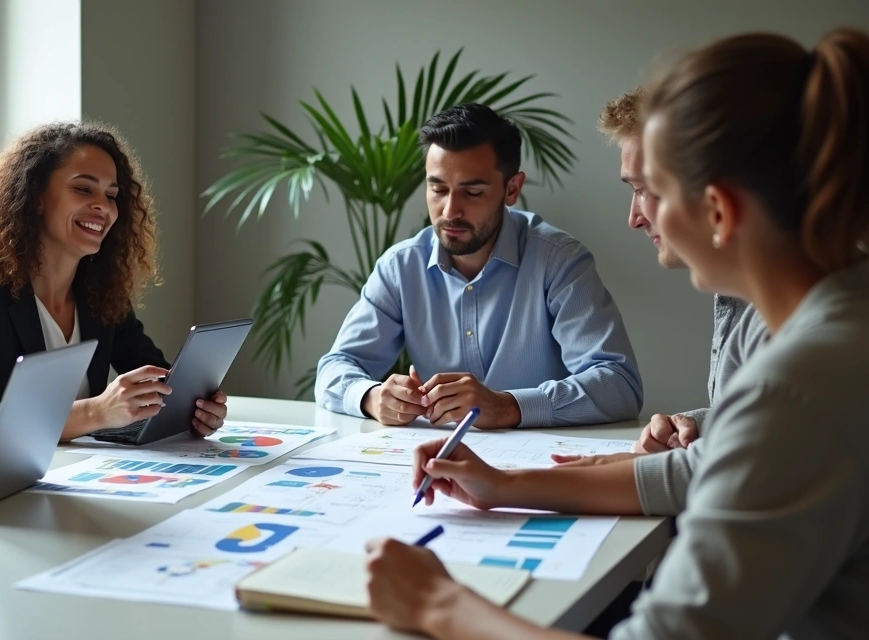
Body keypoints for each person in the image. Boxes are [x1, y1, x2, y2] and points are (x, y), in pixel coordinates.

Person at [365, 29, 869, 640]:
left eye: (647, 191)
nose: (634, 217)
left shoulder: (796, 383)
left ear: (718, 210)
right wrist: (504, 485)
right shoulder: (834, 327)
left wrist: (438, 605)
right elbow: (706, 467)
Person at [315, 103, 643, 429]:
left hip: (540, 468)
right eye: (438, 189)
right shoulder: (400, 267)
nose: (450, 210)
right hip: (437, 461)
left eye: (472, 192)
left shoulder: (558, 261)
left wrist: (508, 406)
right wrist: (370, 396)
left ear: (511, 189)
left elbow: (619, 386)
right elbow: (336, 367)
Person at [0, 122, 228, 442]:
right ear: (35, 197)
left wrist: (194, 408)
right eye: (84, 189)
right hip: (9, 484)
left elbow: (162, 383)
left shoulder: (102, 296)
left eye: (112, 195)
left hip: (86, 474)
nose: (103, 206)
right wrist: (96, 412)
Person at [570, 88, 768, 457]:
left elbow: (749, 470)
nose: (634, 219)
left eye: (644, 189)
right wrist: (695, 424)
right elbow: (773, 424)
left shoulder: (789, 307)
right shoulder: (740, 289)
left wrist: (523, 485)